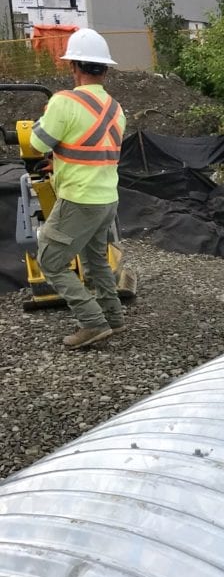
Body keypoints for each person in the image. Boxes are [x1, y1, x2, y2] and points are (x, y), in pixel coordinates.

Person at [30, 28, 126, 349]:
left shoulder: (63, 102)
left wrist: (46, 119)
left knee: (50, 260)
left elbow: (37, 141)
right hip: (107, 199)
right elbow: (93, 150)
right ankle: (113, 317)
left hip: (79, 200)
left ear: (73, 67)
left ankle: (92, 321)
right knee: (96, 259)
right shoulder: (116, 109)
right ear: (105, 70)